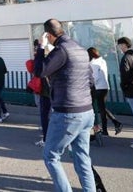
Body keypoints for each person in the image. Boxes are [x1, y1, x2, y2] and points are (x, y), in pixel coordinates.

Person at [40, 19, 95, 192]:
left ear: (48, 35)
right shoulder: (80, 49)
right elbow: (91, 80)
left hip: (67, 112)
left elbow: (40, 71)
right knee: (82, 157)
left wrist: (41, 49)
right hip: (86, 110)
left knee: (51, 156)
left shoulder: (61, 50)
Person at [87, 47, 122, 136]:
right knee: (102, 108)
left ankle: (107, 127)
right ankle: (113, 124)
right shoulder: (102, 61)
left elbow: (95, 77)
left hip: (97, 88)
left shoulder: (93, 63)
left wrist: (90, 84)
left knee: (99, 109)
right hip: (105, 87)